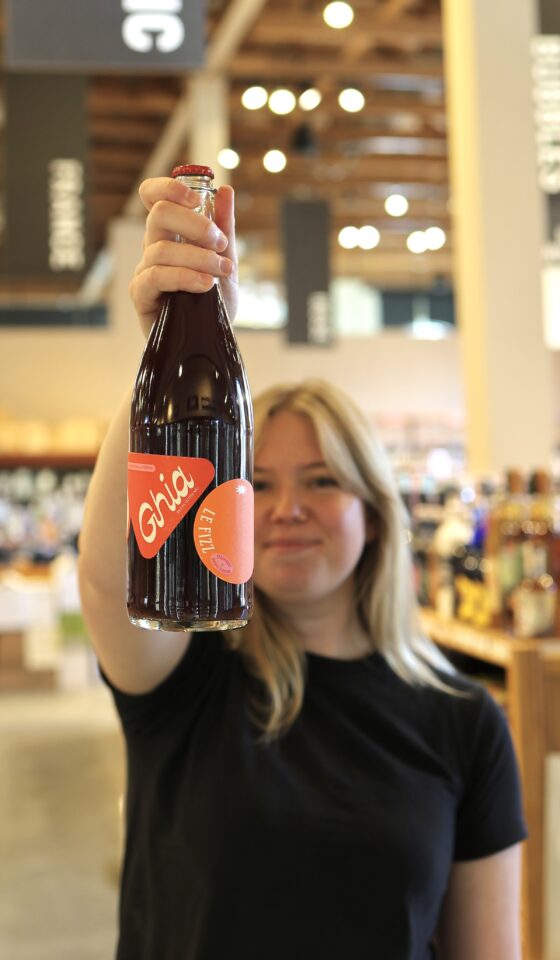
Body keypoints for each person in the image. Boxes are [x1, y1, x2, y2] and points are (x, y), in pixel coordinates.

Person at [77, 175, 527, 960]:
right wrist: (162, 344)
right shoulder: (191, 679)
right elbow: (111, 578)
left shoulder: (464, 723)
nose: (284, 508)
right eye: (259, 482)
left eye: (322, 481)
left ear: (376, 513)